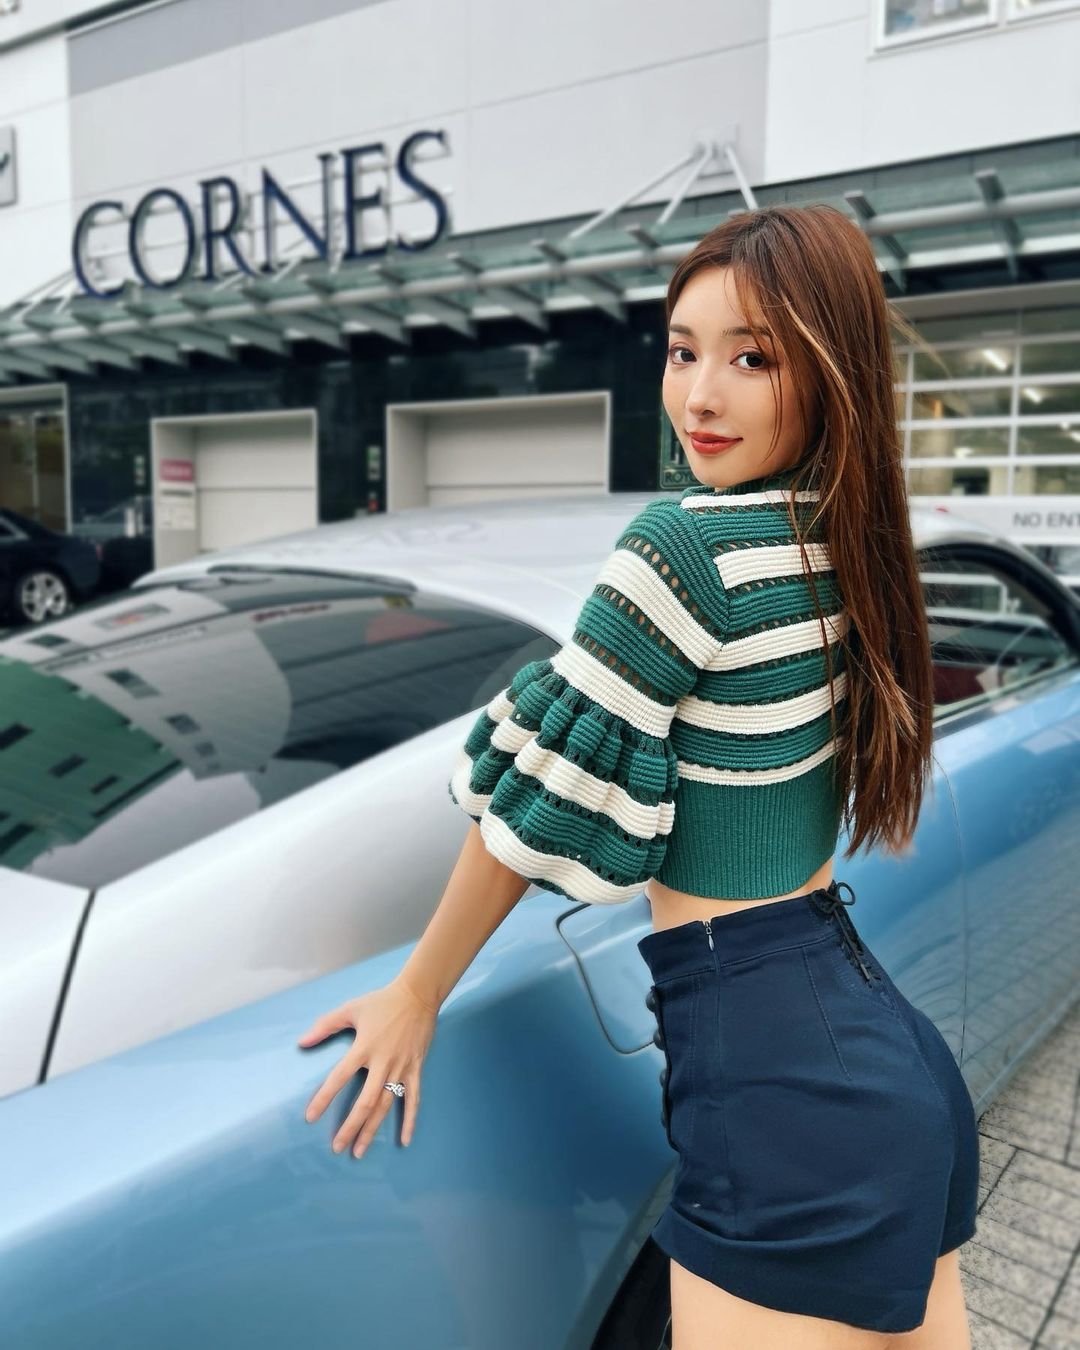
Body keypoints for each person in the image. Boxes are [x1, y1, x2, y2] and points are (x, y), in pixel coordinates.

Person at [296, 203, 979, 1349]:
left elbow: (535, 806)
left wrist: (416, 992)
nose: (699, 395)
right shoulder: (838, 537)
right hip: (882, 1050)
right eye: (681, 351)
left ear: (831, 372)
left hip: (777, 1091)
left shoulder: (684, 553)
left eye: (752, 359)